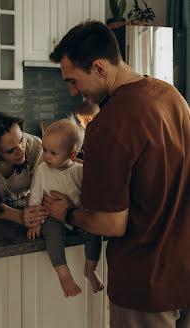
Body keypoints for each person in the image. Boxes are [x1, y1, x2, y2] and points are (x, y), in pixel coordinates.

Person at [40, 20, 190, 327]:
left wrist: (67, 213)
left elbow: (109, 224)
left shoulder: (107, 125)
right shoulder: (170, 95)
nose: (72, 92)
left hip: (145, 285)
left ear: (98, 67)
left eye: (72, 80)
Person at [27, 116, 103, 298]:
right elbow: (35, 199)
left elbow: (88, 200)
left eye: (53, 153)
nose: (46, 156)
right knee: (51, 231)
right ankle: (63, 274)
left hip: (75, 217)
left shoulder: (79, 171)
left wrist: (78, 212)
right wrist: (35, 222)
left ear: (72, 155)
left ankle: (90, 268)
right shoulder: (41, 170)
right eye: (44, 150)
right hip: (52, 218)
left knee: (95, 228)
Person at [0, 111, 48, 228]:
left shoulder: (36, 147)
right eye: (11, 150)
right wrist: (20, 217)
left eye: (21, 140)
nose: (21, 151)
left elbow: (46, 189)